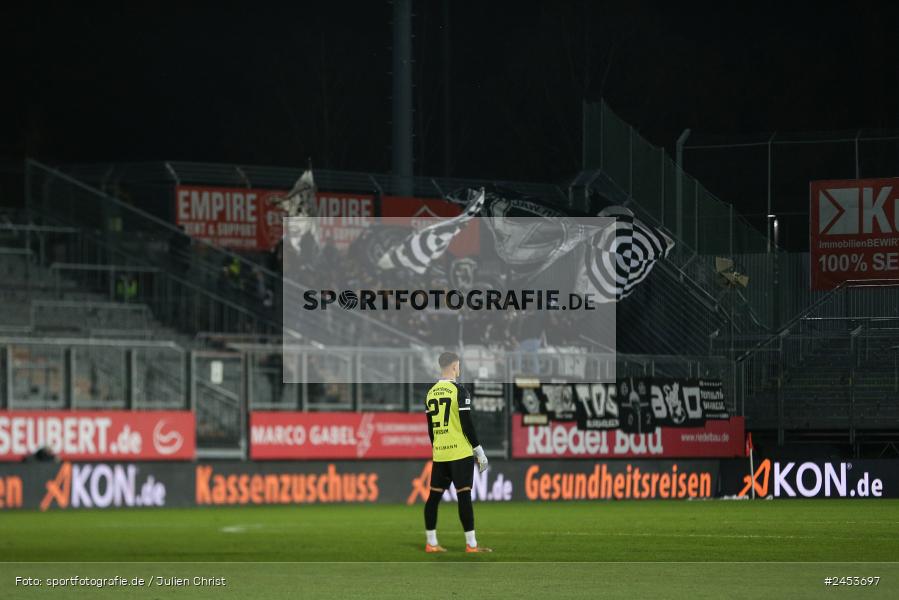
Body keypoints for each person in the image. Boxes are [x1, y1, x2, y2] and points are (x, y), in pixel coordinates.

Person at [422, 352, 491, 553]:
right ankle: (471, 545)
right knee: (464, 496)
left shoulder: (431, 392)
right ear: (454, 366)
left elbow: (430, 429)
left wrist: (437, 447)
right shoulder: (459, 391)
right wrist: (479, 451)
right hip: (460, 453)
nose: (459, 369)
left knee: (433, 497)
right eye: (458, 365)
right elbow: (466, 424)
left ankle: (431, 543)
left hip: (440, 453)